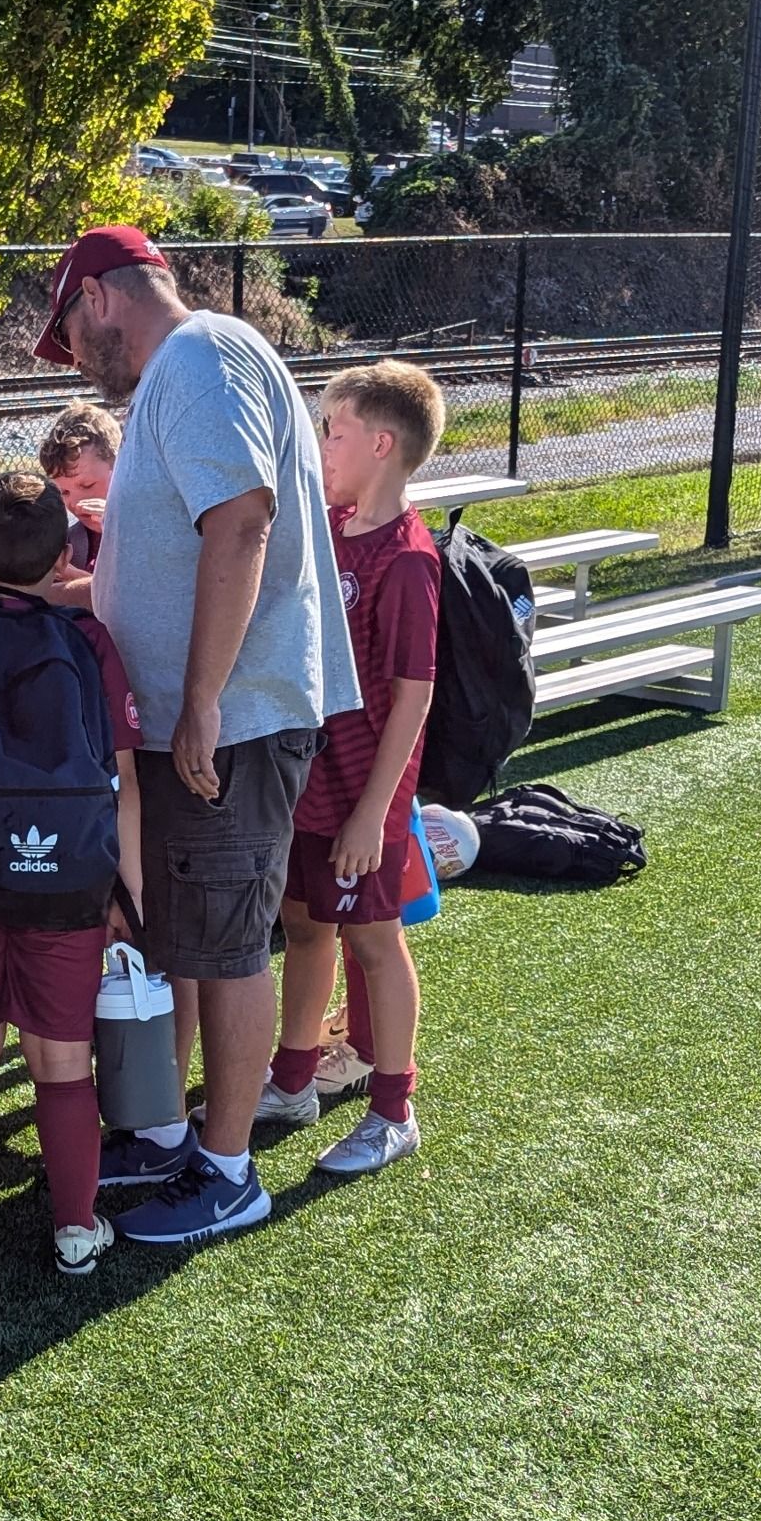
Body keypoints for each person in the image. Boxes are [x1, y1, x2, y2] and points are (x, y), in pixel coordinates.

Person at [32, 225, 360, 1244]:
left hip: (233, 718)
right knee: (190, 934)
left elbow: (242, 521)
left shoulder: (200, 358)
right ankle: (176, 1135)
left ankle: (228, 1168)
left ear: (101, 297)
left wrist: (206, 697)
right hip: (205, 714)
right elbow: (190, 536)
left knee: (223, 945)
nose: (77, 358)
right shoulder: (195, 363)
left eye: (71, 334)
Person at [0, 471, 143, 1277]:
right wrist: (128, 895)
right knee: (61, 1061)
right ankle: (75, 1228)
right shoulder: (90, 638)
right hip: (72, 884)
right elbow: (124, 780)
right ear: (64, 554)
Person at [261, 360, 443, 1174]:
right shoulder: (333, 523)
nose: (321, 444)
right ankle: (294, 1077)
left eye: (332, 432)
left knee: (374, 940)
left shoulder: (406, 558)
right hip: (310, 782)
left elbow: (413, 695)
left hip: (363, 794)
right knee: (304, 925)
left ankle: (393, 1109)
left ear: (380, 444)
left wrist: (377, 812)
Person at [38, 400, 121, 575]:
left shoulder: (149, 525)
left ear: (121, 466)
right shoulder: (71, 540)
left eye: (87, 485)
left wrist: (120, 525)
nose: (75, 503)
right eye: (64, 492)